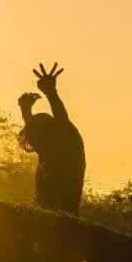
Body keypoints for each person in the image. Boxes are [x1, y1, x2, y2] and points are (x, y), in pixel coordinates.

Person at [17, 63, 85, 215]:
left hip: (67, 216)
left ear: (47, 135)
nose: (36, 146)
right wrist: (25, 110)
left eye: (37, 141)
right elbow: (32, 126)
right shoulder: (45, 143)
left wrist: (50, 92)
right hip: (44, 217)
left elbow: (61, 117)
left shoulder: (68, 140)